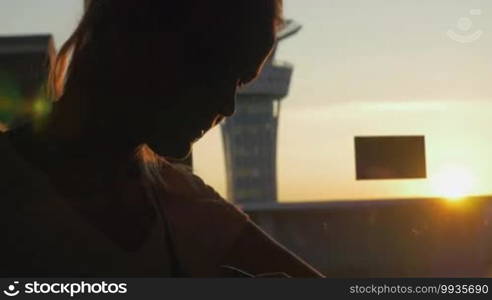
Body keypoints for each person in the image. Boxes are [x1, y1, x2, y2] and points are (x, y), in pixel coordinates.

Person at [0, 0, 323, 277]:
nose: (227, 104)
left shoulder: (188, 207)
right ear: (133, 31)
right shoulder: (183, 210)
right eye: (212, 66)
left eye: (239, 82)